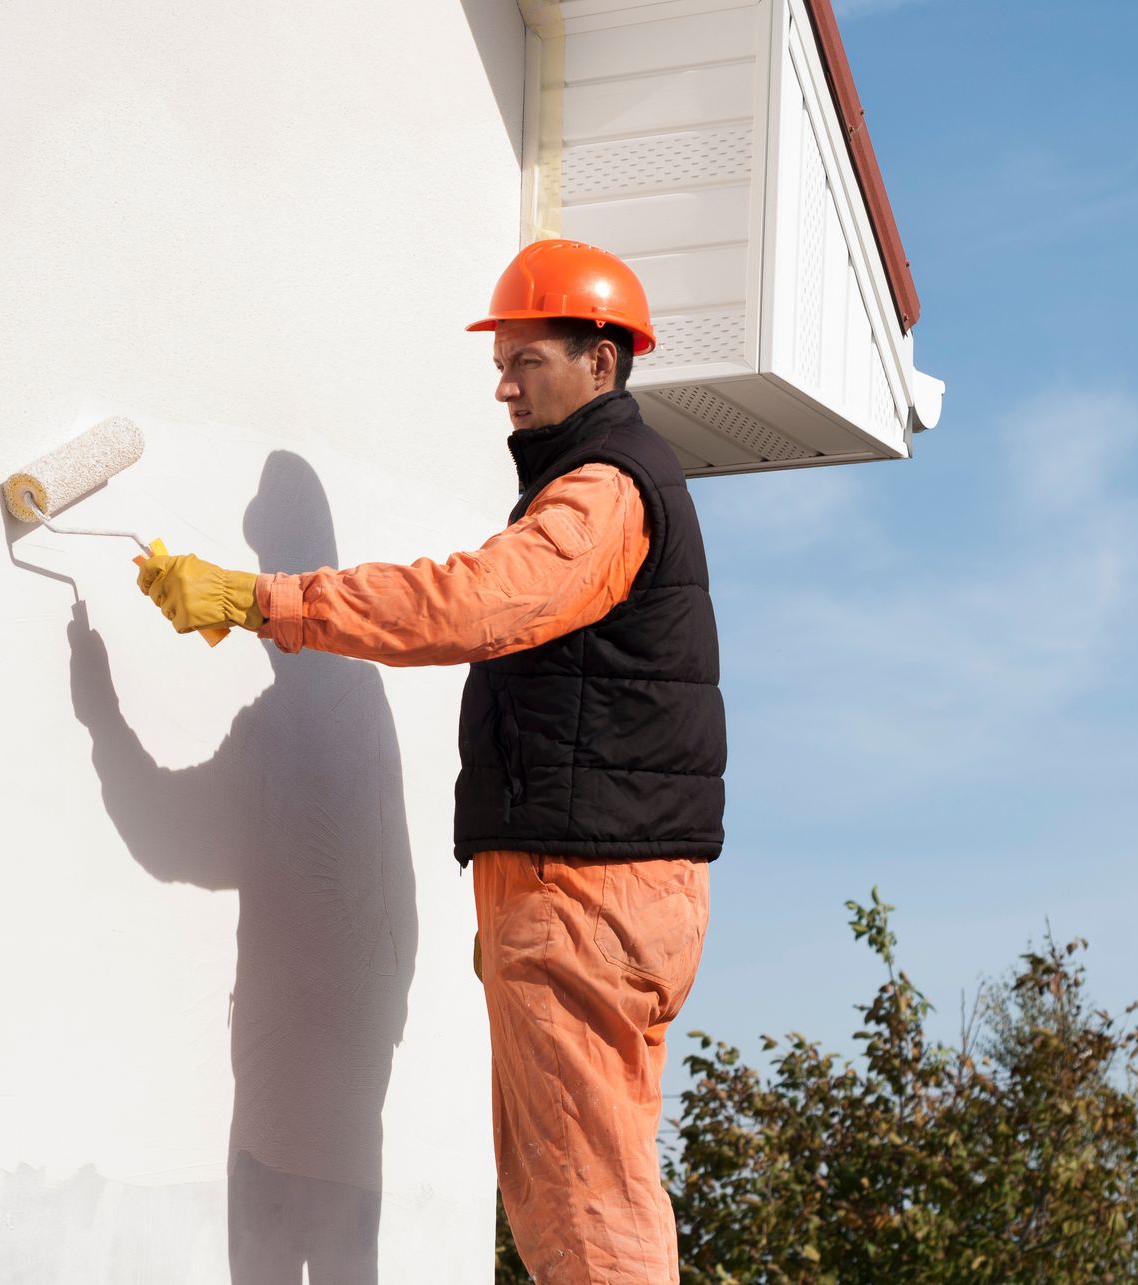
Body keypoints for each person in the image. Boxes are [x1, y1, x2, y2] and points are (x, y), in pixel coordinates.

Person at [134, 238, 726, 1284]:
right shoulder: (603, 484)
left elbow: (473, 603)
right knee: (586, 1194)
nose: (502, 383)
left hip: (581, 888)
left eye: (525, 358)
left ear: (601, 359)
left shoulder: (603, 492)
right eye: (498, 361)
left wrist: (262, 598)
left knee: (585, 1211)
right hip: (598, 887)